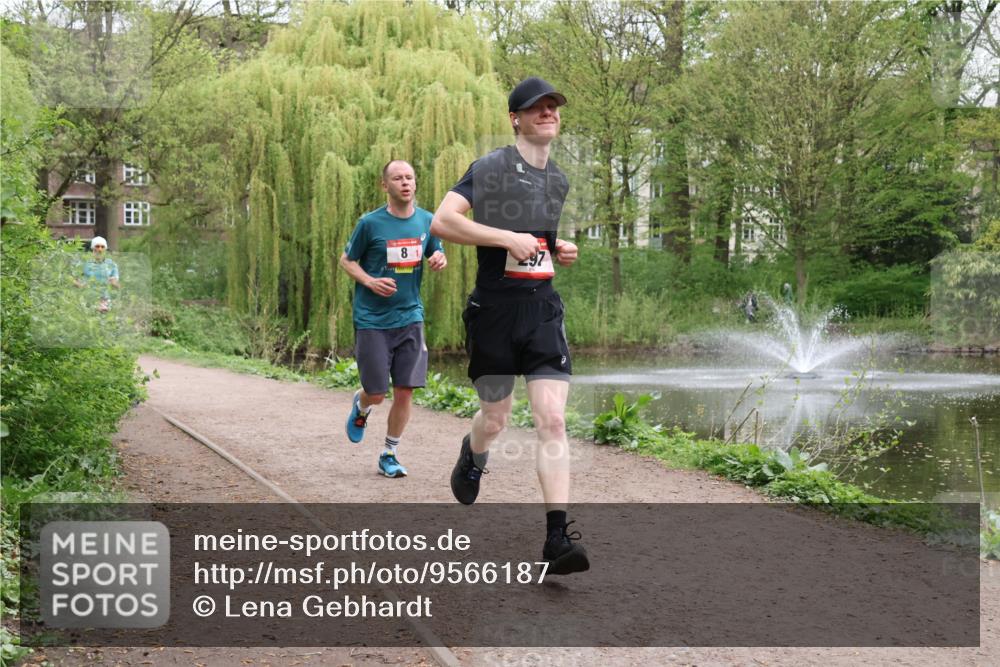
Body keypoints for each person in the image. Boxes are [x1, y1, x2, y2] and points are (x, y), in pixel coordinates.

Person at [430, 77, 588, 575]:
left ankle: (557, 538)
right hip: (494, 314)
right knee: (495, 418)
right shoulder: (492, 167)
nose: (548, 113)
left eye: (554, 107)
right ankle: (474, 452)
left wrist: (558, 249)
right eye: (536, 108)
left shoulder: (558, 179)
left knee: (552, 420)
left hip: (542, 310)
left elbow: (539, 244)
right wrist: (504, 237)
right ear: (515, 118)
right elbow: (442, 222)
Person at [339, 160, 447, 478]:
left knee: (405, 389)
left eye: (410, 177)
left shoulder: (428, 221)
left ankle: (389, 452)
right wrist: (370, 281)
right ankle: (362, 407)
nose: (405, 183)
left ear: (416, 183)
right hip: (372, 319)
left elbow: (434, 250)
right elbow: (347, 261)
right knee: (376, 392)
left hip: (410, 316)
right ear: (384, 185)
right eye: (397, 178)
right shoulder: (370, 224)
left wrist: (438, 257)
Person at [74, 236, 119, 312]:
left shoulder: (112, 264)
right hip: (88, 299)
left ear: (105, 249)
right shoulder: (84, 262)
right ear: (92, 248)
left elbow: (116, 283)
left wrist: (114, 284)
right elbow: (72, 279)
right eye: (97, 246)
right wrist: (79, 284)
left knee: (103, 319)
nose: (100, 249)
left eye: (102, 247)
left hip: (105, 299)